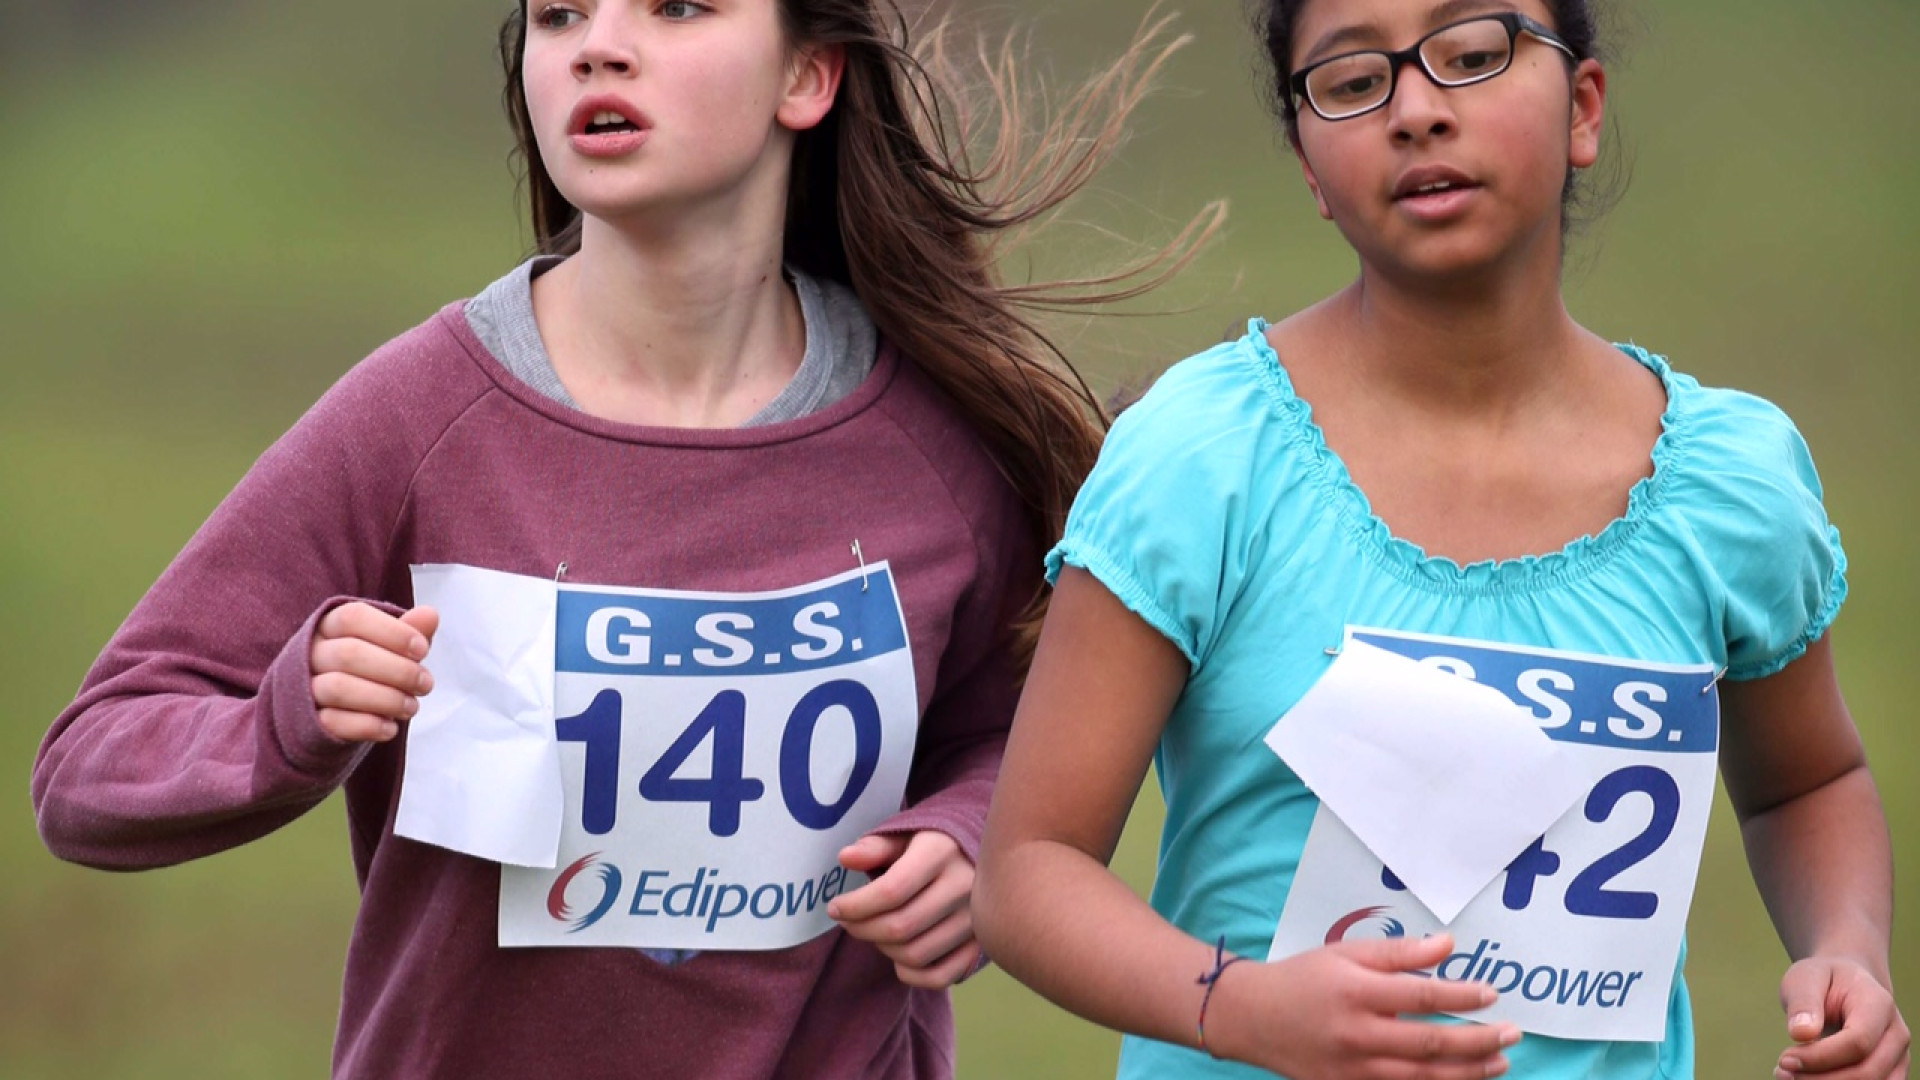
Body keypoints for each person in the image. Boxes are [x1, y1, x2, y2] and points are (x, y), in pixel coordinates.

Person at [30, 1, 1217, 1076]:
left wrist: (967, 848)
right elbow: (90, 769)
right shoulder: (415, 423)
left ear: (807, 78)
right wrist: (291, 710)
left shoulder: (935, 447)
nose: (598, 42)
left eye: (677, 7)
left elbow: (1017, 736)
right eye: (558, 16)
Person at [973, 1, 1910, 1078]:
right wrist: (1242, 1010)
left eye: (1472, 55)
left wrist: (1848, 952)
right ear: (1310, 168)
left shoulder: (1730, 489)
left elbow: (1808, 783)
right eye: (1352, 80)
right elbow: (1029, 872)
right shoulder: (1201, 462)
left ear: (1583, 109)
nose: (1416, 110)